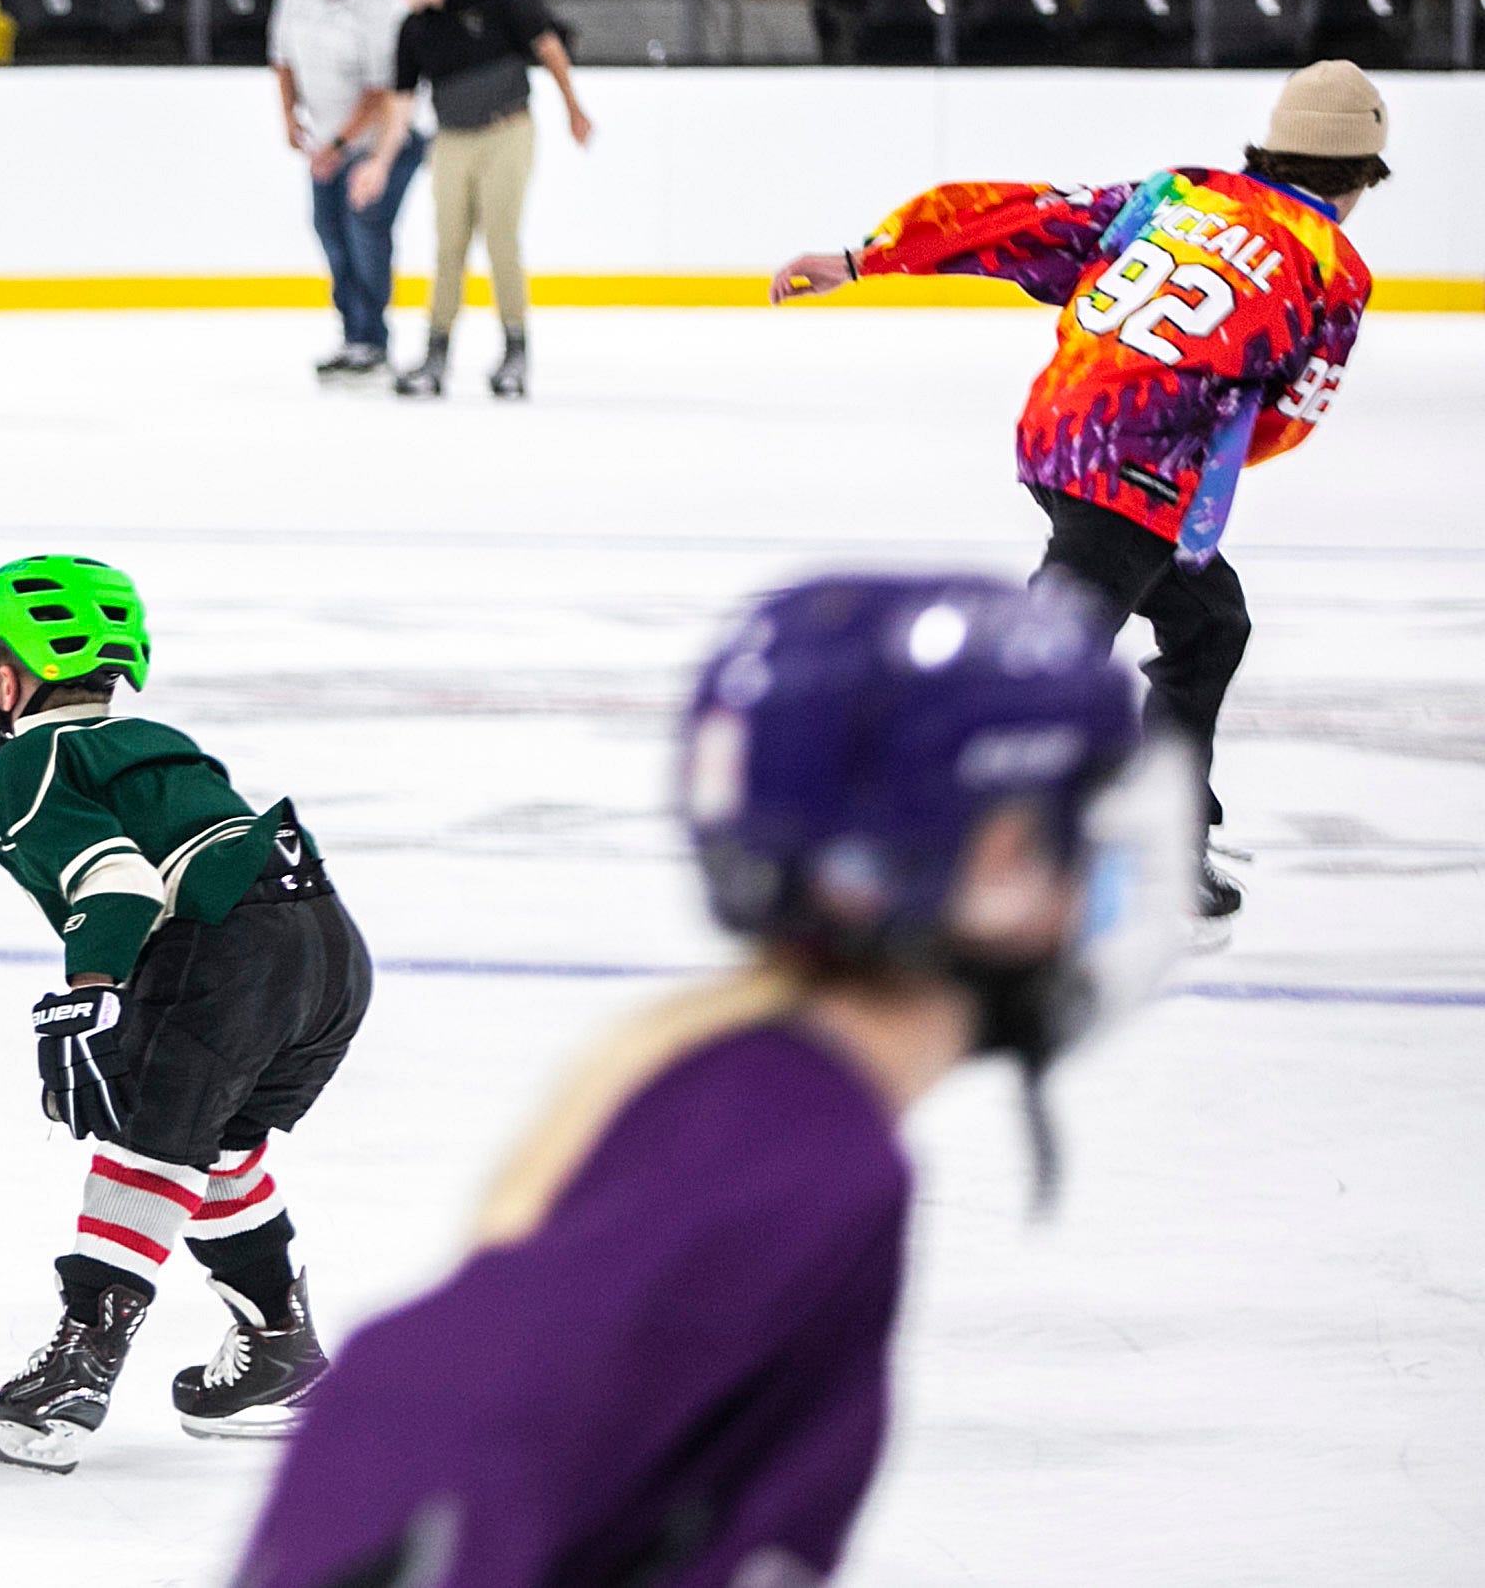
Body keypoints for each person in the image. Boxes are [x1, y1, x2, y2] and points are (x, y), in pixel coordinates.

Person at [235, 571, 1193, 1588]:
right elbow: (420, 1435)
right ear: (1001, 854)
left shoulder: (760, 1105)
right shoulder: (787, 1157)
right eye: (1089, 822)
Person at [768, 60, 1386, 921]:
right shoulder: (1333, 268)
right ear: (1362, 175)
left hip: (1061, 428)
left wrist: (865, 257)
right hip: (1139, 470)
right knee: (1045, 661)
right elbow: (1289, 416)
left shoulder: (1184, 194)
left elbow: (1028, 219)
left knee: (1209, 620)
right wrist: (1203, 460)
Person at [0, 555, 374, 1474]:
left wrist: (91, 992)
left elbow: (117, 877)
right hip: (328, 945)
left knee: (148, 1140)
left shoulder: (31, 761)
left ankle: (78, 1366)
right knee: (218, 1138)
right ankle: (280, 1350)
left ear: (9, 673)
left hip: (227, 946)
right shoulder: (160, 739)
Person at [353, 0, 593, 401]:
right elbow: (400, 107)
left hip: (507, 131)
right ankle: (436, 355)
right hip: (451, 140)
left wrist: (573, 107)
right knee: (449, 246)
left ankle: (515, 351)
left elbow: (547, 46)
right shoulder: (414, 30)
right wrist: (379, 163)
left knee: (501, 238)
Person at [269, 0, 422, 379]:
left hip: (383, 143)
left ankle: (371, 340)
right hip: (326, 142)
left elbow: (381, 92)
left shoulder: (381, 0)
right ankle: (353, 333)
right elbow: (283, 58)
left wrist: (338, 144)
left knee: (364, 229)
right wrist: (290, 116)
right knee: (329, 232)